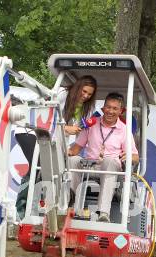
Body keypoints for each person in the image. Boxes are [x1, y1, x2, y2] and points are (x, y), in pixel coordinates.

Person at [15, 75, 97, 219]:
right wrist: (66, 129)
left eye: (89, 94)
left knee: (49, 171)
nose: (85, 96)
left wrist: (75, 150)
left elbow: (79, 137)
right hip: (32, 132)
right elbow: (47, 117)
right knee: (39, 167)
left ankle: (35, 212)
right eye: (83, 91)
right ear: (77, 87)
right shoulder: (61, 93)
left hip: (50, 140)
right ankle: (22, 211)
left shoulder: (86, 109)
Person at [68, 92, 139, 223]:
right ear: (103, 109)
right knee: (73, 160)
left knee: (109, 161)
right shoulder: (92, 124)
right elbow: (75, 149)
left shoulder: (124, 129)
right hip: (89, 166)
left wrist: (129, 155)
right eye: (108, 107)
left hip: (110, 168)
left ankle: (103, 213)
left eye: (115, 108)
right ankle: (69, 207)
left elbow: (135, 157)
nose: (110, 111)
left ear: (120, 111)